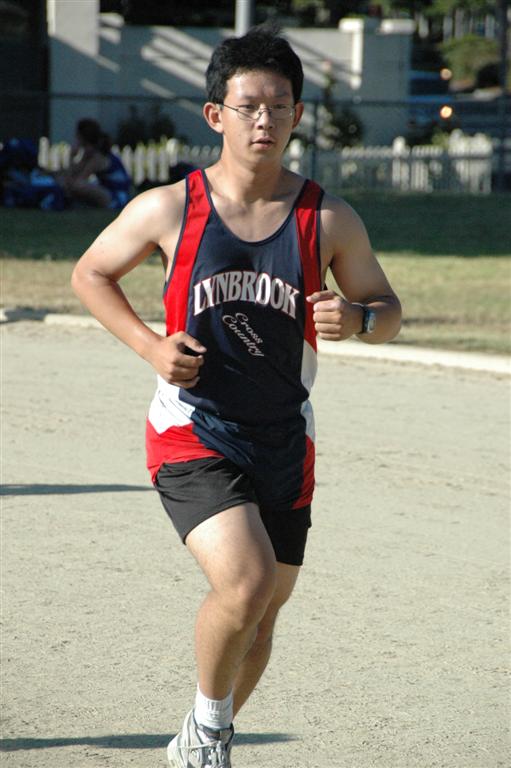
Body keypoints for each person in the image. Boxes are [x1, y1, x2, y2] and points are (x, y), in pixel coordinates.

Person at [71, 27, 401, 768]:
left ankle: (198, 733)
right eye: (248, 105)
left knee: (261, 617)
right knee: (246, 584)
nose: (264, 120)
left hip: (284, 434)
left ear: (297, 116)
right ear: (215, 114)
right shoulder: (170, 208)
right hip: (193, 428)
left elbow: (388, 310)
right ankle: (211, 736)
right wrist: (151, 347)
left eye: (279, 106)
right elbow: (90, 273)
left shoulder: (328, 218)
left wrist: (358, 318)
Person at [58, 118, 132, 209]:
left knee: (78, 186)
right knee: (66, 181)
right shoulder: (89, 154)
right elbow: (72, 174)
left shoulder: (98, 157)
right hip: (109, 192)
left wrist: (70, 157)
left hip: (117, 197)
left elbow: (76, 182)